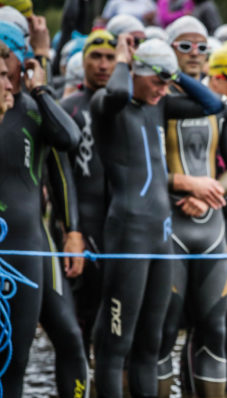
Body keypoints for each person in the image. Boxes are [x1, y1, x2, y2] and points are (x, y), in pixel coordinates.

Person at [90, 35, 224, 398]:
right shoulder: (108, 106)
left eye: (168, 84)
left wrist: (174, 71)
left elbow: (212, 104)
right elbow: (117, 92)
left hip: (160, 234)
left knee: (152, 339)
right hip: (126, 234)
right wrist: (122, 58)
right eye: (157, 81)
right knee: (117, 343)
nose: (164, 90)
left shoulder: (158, 105)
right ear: (135, 71)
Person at [157, 20, 227, 398]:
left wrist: (209, 191)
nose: (195, 54)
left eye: (201, 48)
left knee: (215, 329)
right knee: (162, 329)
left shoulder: (221, 109)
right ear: (169, 50)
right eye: (185, 46)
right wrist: (185, 185)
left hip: (211, 227)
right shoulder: (157, 103)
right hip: (170, 225)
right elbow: (140, 167)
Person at [0, 21, 81, 398]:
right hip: (15, 244)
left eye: (6, 64)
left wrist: (41, 88)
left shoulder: (34, 110)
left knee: (30, 350)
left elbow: (68, 147)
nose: (2, 76)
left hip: (31, 242)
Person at [58, 30, 117, 350]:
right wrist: (71, 230)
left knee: (121, 320)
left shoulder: (129, 105)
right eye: (96, 57)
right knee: (83, 318)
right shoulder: (68, 107)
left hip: (125, 227)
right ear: (83, 61)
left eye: (110, 57)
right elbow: (58, 176)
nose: (103, 65)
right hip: (84, 224)